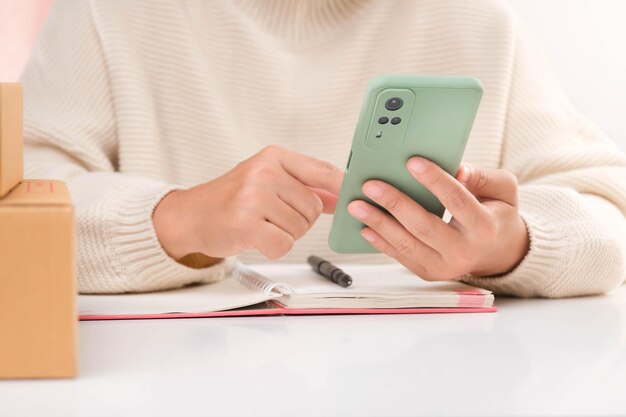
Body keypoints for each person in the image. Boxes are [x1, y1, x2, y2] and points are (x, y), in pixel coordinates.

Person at [21, 0, 626, 297]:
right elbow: (15, 214)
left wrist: (511, 245)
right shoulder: (107, 14)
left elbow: (611, 212)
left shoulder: (478, 23)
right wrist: (180, 219)